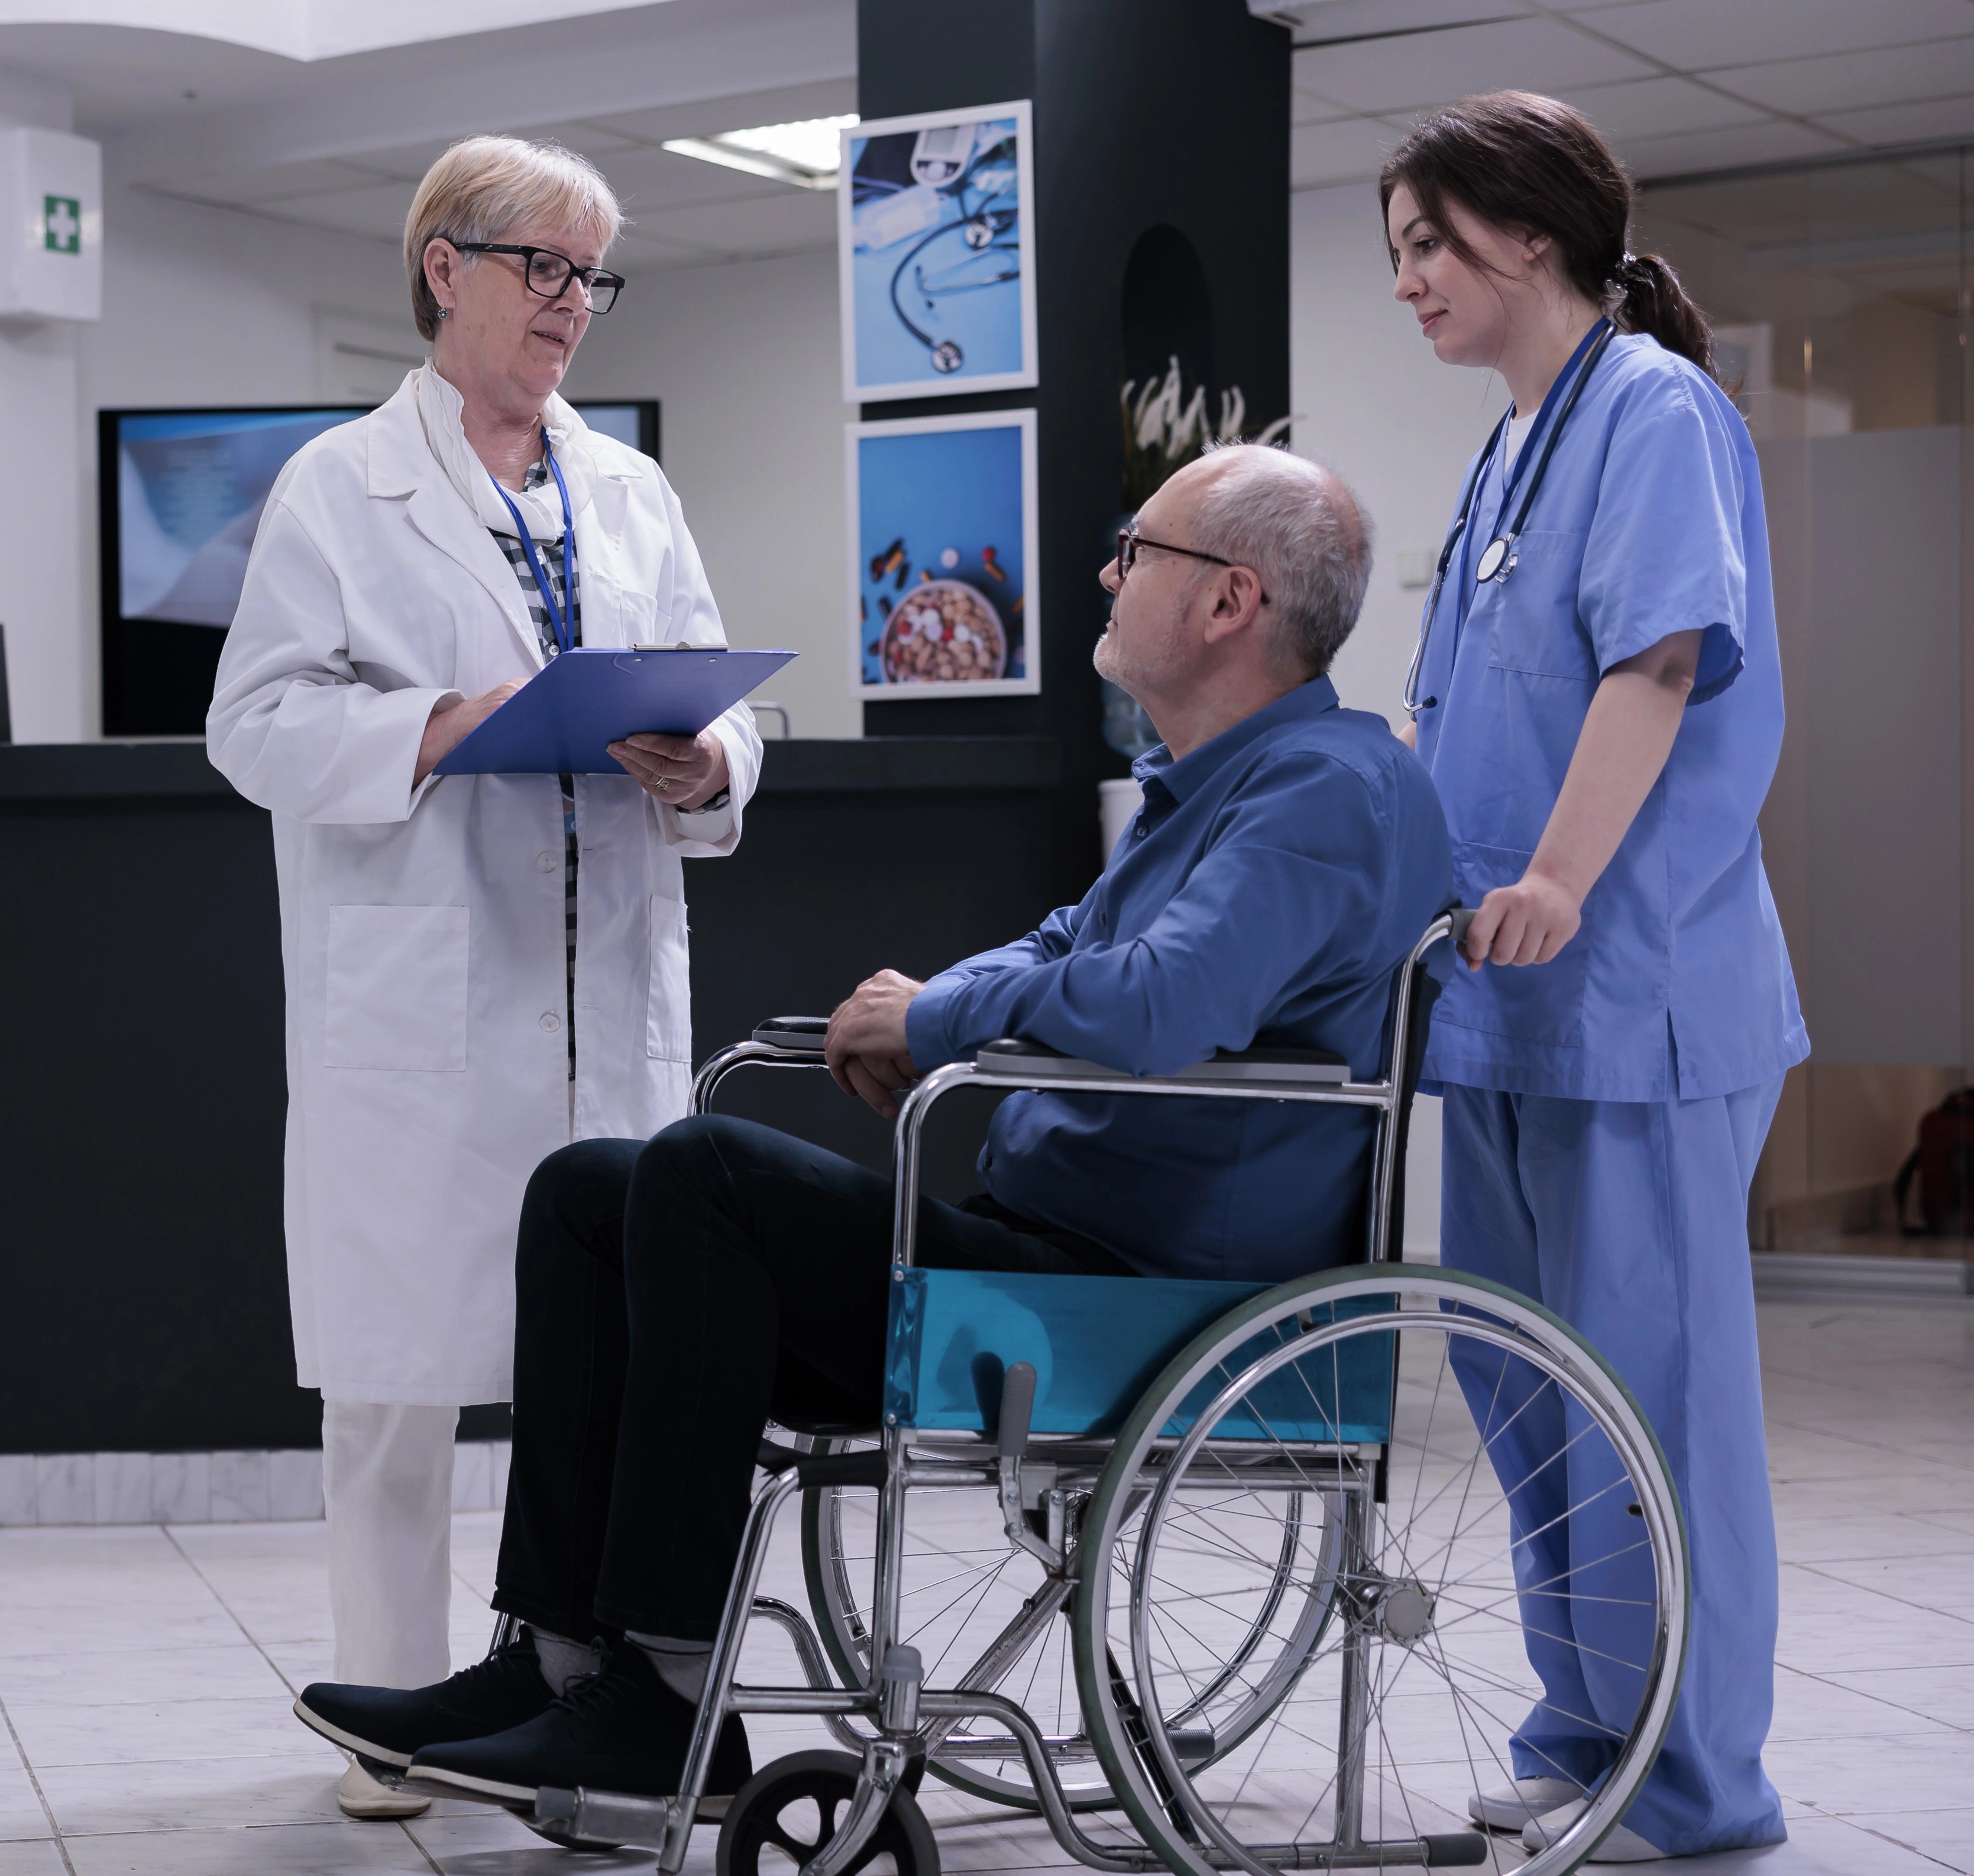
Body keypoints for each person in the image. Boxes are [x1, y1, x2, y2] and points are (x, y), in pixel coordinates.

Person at [285, 444, 1454, 1811]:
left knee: (702, 1169)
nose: (1104, 570)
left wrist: (937, 1023)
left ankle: (664, 1699)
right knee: (587, 1194)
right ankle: (555, 1660)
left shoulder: (1324, 789)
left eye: (1135, 550)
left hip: (1149, 1302)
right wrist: (935, 1012)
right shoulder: (1201, 782)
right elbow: (1063, 947)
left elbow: (1154, 1002)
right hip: (1050, 1260)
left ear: (1224, 603)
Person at [203, 135, 762, 1822]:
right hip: (424, 1007)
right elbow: (254, 724)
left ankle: (577, 1692)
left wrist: (710, 762)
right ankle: (386, 1721)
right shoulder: (336, 487)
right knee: (395, 1377)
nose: (573, 307)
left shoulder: (630, 486)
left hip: (605, 990)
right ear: (443, 266)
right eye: (544, 269)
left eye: (595, 277)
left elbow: (725, 698)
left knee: (604, 1357)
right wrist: (435, 730)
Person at [1381, 93, 1805, 1863]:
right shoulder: (1512, 441)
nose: (1407, 277)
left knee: (1658, 1395)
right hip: (1503, 1007)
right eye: (1393, 251)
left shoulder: (1653, 411)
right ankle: (1590, 1722)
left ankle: (1696, 1784)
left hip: (1634, 992)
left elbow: (1657, 658)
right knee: (1533, 1383)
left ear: (1531, 236)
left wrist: (1557, 874)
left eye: (1427, 242)